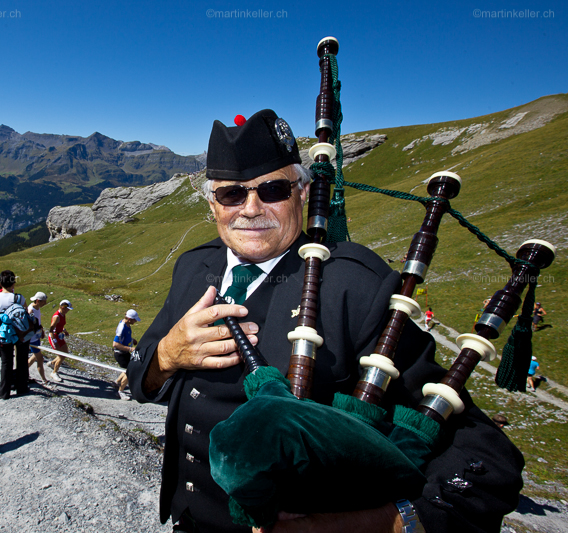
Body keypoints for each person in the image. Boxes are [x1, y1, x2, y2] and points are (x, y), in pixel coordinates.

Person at [127, 109, 523, 533]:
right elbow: (138, 378)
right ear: (213, 205)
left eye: (273, 190)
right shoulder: (193, 267)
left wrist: (377, 523)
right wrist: (167, 356)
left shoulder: (354, 286)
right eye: (232, 194)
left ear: (303, 192)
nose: (251, 209)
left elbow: (483, 452)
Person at [0, 270, 31, 399]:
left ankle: (4, 392)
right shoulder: (19, 298)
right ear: (13, 283)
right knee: (22, 360)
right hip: (20, 333)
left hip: (4, 334)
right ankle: (22, 387)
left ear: (0, 283)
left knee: (6, 363)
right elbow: (25, 312)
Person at [113, 309, 140, 400]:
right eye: (134, 320)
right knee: (130, 371)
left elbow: (125, 337)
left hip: (125, 353)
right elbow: (115, 344)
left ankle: (117, 383)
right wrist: (130, 349)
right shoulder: (122, 327)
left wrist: (132, 340)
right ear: (129, 319)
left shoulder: (127, 325)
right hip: (120, 354)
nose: (135, 321)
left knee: (129, 368)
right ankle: (120, 392)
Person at [26, 292, 51, 387]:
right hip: (32, 339)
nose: (45, 303)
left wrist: (41, 330)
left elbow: (37, 322)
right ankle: (44, 380)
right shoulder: (30, 310)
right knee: (40, 358)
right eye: (43, 302)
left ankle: (22, 372)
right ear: (38, 301)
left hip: (36, 337)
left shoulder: (37, 308)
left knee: (35, 356)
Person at [47, 300, 72, 383]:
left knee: (65, 352)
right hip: (54, 336)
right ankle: (54, 372)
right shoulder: (57, 317)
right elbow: (51, 330)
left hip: (59, 335)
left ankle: (52, 363)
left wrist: (64, 330)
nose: (68, 311)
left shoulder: (63, 314)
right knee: (61, 356)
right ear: (63, 307)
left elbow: (61, 325)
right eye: (67, 309)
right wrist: (55, 341)